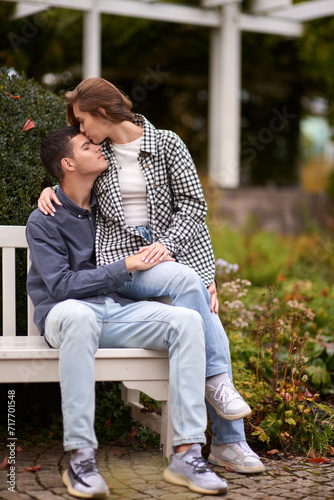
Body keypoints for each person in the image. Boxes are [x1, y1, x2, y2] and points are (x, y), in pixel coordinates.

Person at [38, 78, 265, 474]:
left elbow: (194, 208)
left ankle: (227, 441)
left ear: (104, 113)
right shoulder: (97, 154)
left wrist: (197, 268)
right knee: (183, 281)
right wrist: (48, 187)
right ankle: (225, 418)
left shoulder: (168, 144)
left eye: (83, 121)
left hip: (171, 261)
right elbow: (73, 179)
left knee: (192, 295)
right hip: (125, 268)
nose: (81, 132)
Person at [27, 126, 230, 498]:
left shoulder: (108, 206)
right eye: (89, 146)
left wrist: (204, 277)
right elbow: (61, 287)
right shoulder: (44, 218)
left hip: (115, 312)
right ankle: (81, 458)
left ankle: (187, 452)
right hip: (65, 315)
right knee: (79, 315)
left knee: (186, 321)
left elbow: (183, 221)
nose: (100, 148)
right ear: (68, 163)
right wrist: (125, 266)